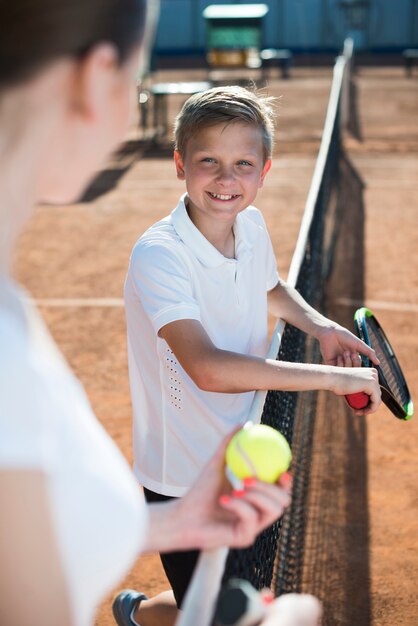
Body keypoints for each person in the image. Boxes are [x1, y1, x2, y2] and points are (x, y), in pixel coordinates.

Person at [0, 2, 296, 626]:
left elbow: (45, 545)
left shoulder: (13, 324)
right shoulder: (12, 351)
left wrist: (172, 523)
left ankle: (136, 613)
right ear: (96, 78)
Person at [118, 85, 381, 625]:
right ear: (179, 164)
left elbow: (270, 286)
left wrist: (320, 325)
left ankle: (139, 614)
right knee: (222, 613)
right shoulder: (160, 255)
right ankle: (143, 613)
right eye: (208, 161)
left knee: (230, 604)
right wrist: (330, 380)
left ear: (264, 171)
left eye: (242, 163)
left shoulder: (252, 225)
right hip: (184, 478)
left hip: (250, 447)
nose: (226, 179)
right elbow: (208, 369)